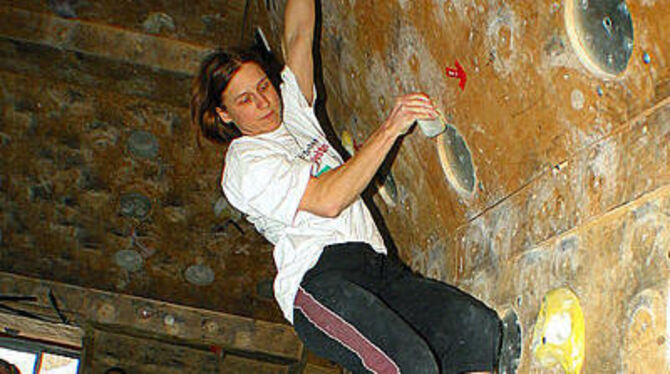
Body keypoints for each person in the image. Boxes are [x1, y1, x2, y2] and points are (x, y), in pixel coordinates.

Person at [191, 0, 510, 372]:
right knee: (409, 365)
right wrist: (391, 127)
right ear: (224, 114)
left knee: (474, 328)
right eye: (245, 99)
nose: (264, 102)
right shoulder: (245, 163)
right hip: (320, 282)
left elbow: (298, 34)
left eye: (264, 86)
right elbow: (329, 200)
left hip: (375, 267)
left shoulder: (292, 109)